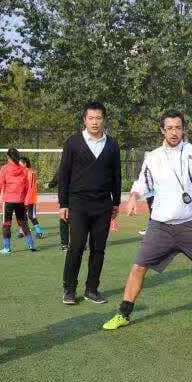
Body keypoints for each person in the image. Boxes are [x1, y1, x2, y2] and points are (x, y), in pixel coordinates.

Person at [102, 110, 192, 330]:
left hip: (191, 225)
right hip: (160, 227)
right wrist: (134, 197)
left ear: (183, 129)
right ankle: (123, 314)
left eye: (178, 127)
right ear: (162, 130)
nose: (174, 132)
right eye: (170, 128)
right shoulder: (153, 157)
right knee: (138, 268)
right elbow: (142, 183)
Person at [58, 102, 122, 305]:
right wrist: (63, 204)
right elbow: (64, 175)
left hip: (103, 205)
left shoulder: (112, 144)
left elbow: (117, 175)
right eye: (91, 118)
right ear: (84, 120)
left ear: (104, 120)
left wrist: (116, 202)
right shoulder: (72, 143)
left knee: (98, 249)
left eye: (98, 118)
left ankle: (92, 289)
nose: (95, 122)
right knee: (76, 247)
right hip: (78, 204)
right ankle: (69, 290)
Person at [0, 148, 37, 254]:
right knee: (23, 223)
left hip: (8, 201)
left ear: (8, 157)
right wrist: (24, 198)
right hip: (20, 201)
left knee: (6, 224)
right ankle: (31, 245)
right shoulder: (24, 170)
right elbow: (27, 186)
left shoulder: (4, 168)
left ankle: (6, 248)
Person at [18, 157, 44, 239]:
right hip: (24, 197)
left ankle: (39, 232)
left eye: (20, 164)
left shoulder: (28, 172)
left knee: (31, 216)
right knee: (22, 215)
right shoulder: (29, 171)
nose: (19, 165)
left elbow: (27, 186)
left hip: (29, 198)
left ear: (25, 164)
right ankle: (23, 230)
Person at [47, 172, 69, 250]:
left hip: (65, 200)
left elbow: (53, 183)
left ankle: (64, 244)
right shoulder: (79, 168)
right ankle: (80, 243)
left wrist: (48, 185)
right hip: (78, 199)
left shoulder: (61, 170)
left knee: (64, 221)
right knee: (78, 221)